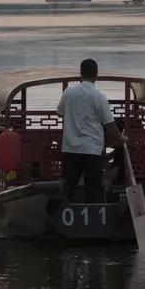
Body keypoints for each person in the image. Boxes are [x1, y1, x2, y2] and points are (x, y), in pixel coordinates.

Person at [56, 59, 124, 203]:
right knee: (93, 189)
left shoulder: (68, 93)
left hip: (71, 148)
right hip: (92, 150)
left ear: (80, 73)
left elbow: (60, 112)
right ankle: (94, 217)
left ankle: (62, 214)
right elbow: (110, 125)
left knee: (68, 186)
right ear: (96, 74)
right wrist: (121, 138)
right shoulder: (98, 97)